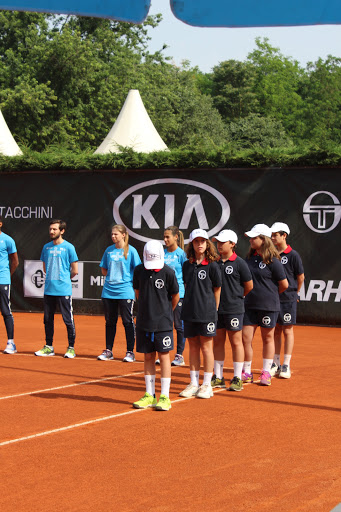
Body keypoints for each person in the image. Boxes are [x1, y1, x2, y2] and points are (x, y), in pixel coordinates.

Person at [132, 240, 179, 411]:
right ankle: (149, 395)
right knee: (148, 356)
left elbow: (175, 296)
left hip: (163, 323)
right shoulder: (138, 270)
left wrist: (165, 312)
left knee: (164, 356)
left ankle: (165, 396)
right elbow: (138, 293)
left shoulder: (168, 272)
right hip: (144, 321)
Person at [242, 224, 288, 386]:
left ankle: (266, 372)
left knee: (267, 338)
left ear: (264, 240)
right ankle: (246, 371)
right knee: (246, 338)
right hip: (249, 305)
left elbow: (284, 285)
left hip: (268, 306)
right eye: (251, 238)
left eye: (255, 238)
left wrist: (270, 296)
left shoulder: (274, 261)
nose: (251, 240)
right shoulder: (249, 259)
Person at [179, 229, 222, 399]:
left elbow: (217, 289)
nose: (200, 244)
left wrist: (214, 309)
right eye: (196, 241)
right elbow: (188, 286)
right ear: (192, 244)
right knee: (193, 347)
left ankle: (206, 385)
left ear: (207, 243)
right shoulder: (186, 265)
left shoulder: (212, 264)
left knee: (206, 347)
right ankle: (193, 383)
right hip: (189, 311)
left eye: (203, 241)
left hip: (207, 313)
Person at [212, 230, 253, 392]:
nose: (219, 245)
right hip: (216, 310)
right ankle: (218, 376)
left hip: (234, 310)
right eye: (218, 242)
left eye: (223, 242)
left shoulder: (240, 263)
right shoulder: (213, 263)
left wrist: (236, 298)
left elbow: (249, 286)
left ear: (232, 244)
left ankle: (237, 377)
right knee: (218, 342)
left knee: (236, 342)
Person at [35, 219, 78, 358]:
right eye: (50, 229)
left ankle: (71, 348)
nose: (52, 231)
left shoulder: (69, 247)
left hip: (63, 290)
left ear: (62, 231)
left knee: (68, 319)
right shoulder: (46, 247)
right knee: (47, 319)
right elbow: (45, 268)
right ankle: (49, 346)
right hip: (49, 290)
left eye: (55, 229)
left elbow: (75, 270)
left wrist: (64, 280)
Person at [98, 224, 141, 362]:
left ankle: (130, 352)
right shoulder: (108, 251)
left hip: (125, 291)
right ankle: (108, 351)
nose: (113, 236)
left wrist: (127, 281)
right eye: (112, 234)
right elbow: (104, 269)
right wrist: (113, 277)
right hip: (108, 291)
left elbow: (138, 270)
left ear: (123, 235)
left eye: (116, 234)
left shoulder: (131, 251)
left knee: (128, 321)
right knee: (110, 322)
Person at [270, 222, 305, 379]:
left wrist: (295, 293)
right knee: (275, 329)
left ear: (284, 235)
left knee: (287, 330)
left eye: (275, 234)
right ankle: (275, 363)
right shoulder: (271, 255)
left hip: (288, 298)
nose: (272, 237)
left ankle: (286, 365)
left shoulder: (293, 255)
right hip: (273, 298)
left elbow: (300, 277)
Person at [163, 226, 187, 366]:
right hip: (162, 296)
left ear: (176, 237)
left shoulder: (181, 255)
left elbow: (186, 276)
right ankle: (163, 352)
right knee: (164, 325)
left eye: (168, 237)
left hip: (179, 294)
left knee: (179, 325)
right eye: (164, 237)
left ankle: (179, 355)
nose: (165, 240)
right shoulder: (163, 254)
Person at [0, 216, 19, 354]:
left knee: (5, 311)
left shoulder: (7, 240)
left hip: (2, 280)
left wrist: (7, 276)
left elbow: (15, 261)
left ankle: (11, 343)